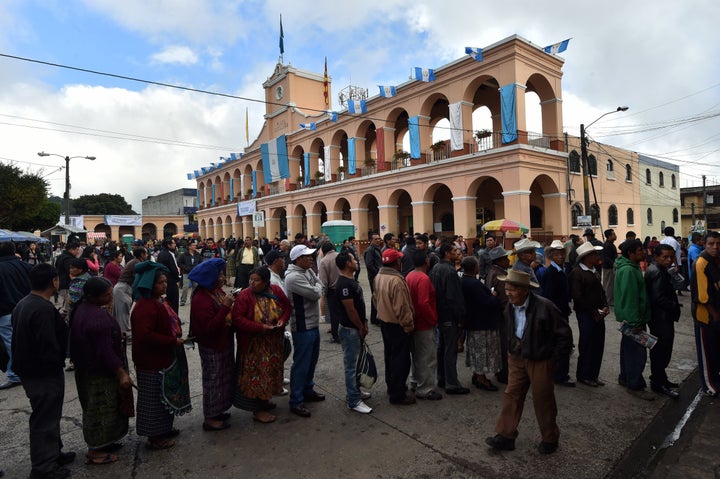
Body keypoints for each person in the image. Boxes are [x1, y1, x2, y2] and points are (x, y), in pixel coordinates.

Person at [485, 270, 572, 455]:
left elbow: (564, 335)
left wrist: (553, 360)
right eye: (506, 289)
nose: (508, 293)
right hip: (517, 357)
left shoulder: (545, 307)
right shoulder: (509, 306)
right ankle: (506, 435)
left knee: (543, 399)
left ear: (525, 290)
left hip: (540, 359)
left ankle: (550, 438)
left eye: (512, 290)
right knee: (512, 394)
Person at [12, 264, 76, 478]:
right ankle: (43, 467)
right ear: (53, 282)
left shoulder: (24, 304)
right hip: (42, 372)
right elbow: (48, 344)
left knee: (50, 415)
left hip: (30, 369)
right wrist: (59, 360)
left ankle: (53, 453)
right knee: (45, 419)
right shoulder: (41, 308)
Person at [69, 277, 132, 465]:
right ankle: (95, 450)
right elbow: (104, 350)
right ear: (94, 297)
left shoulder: (84, 309)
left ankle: (105, 443)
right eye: (106, 294)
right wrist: (121, 373)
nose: (111, 296)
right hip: (100, 372)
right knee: (100, 411)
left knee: (100, 408)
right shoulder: (96, 317)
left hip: (87, 369)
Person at [131, 261, 190, 450]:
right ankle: (154, 437)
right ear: (150, 284)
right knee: (153, 400)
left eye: (165, 282)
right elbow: (146, 335)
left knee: (164, 396)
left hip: (163, 358)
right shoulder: (144, 307)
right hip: (151, 360)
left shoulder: (158, 301)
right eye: (160, 283)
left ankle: (164, 428)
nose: (165, 285)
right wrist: (172, 341)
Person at [232, 266, 290, 423]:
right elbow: (237, 319)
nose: (252, 283)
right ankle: (258, 410)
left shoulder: (276, 291)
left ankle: (265, 401)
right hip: (254, 346)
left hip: (273, 344)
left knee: (270, 373)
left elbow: (287, 308)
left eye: (256, 280)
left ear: (266, 282)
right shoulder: (245, 295)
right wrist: (260, 327)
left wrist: (282, 320)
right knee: (257, 377)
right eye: (251, 279)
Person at [189, 258, 235, 430]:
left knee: (223, 377)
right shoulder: (202, 299)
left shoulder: (215, 291)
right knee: (213, 380)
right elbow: (208, 328)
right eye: (220, 274)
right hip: (212, 345)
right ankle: (210, 417)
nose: (223, 277)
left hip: (223, 342)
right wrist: (225, 307)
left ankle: (219, 410)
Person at [285, 244, 325, 417]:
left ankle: (308, 390)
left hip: (312, 324)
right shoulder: (293, 277)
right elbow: (317, 293)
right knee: (301, 364)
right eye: (307, 256)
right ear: (297, 259)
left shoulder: (307, 271)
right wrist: (317, 287)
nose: (311, 258)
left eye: (311, 255)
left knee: (311, 361)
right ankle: (296, 400)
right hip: (302, 327)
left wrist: (317, 286)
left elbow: (320, 284)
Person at [374, 248, 416, 405]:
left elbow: (375, 299)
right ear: (397, 263)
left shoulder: (379, 276)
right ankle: (398, 394)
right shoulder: (396, 281)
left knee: (390, 357)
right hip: (397, 325)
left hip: (385, 322)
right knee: (401, 360)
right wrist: (408, 325)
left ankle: (392, 386)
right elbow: (403, 308)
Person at [614, 239, 654, 401]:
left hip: (630, 319)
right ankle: (635, 384)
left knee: (627, 350)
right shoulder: (629, 271)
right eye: (639, 250)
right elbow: (630, 298)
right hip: (633, 320)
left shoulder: (631, 267)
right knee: (637, 354)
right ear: (630, 253)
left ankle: (625, 377)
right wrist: (636, 322)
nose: (643, 253)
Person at [335, 252, 372, 413]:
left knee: (356, 364)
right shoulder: (343, 284)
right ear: (347, 264)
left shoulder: (351, 281)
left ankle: (355, 390)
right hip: (350, 329)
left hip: (356, 327)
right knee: (350, 365)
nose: (356, 261)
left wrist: (364, 323)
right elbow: (350, 310)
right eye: (353, 259)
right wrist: (360, 327)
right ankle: (353, 400)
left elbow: (359, 306)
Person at [430, 243, 469, 394]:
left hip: (440, 314)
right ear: (447, 253)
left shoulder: (436, 268)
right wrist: (460, 317)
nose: (456, 252)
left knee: (441, 348)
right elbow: (453, 297)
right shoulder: (449, 271)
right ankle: (452, 383)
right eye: (454, 251)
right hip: (448, 315)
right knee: (450, 350)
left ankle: (442, 377)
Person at [568, 242, 609, 387]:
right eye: (594, 254)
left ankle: (593, 374)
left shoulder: (594, 270)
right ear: (586, 257)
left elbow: (601, 291)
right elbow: (578, 297)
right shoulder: (577, 273)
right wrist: (594, 312)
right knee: (587, 344)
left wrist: (605, 306)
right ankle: (584, 375)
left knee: (598, 344)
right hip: (586, 314)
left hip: (598, 313)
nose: (597, 257)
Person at [645, 244, 682, 398]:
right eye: (665, 257)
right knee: (661, 351)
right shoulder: (657, 272)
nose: (669, 260)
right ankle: (658, 383)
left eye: (671, 257)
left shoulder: (658, 270)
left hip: (660, 317)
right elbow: (658, 297)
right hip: (660, 318)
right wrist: (673, 306)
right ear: (656, 257)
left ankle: (661, 379)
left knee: (661, 351)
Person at [460, 256, 502, 392]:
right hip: (481, 323)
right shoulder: (473, 283)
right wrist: (494, 297)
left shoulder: (464, 281)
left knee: (476, 350)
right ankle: (481, 378)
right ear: (474, 268)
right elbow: (486, 303)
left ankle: (477, 375)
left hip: (473, 321)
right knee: (482, 351)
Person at [406, 249, 442, 400]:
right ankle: (426, 388)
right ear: (426, 261)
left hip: (414, 322)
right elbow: (423, 303)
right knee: (427, 357)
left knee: (417, 355)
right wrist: (433, 319)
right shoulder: (423, 279)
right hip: (423, 323)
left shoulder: (410, 275)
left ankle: (415, 381)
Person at [539, 240, 575, 387]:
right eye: (557, 254)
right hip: (556, 314)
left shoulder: (561, 270)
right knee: (561, 343)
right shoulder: (551, 272)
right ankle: (559, 375)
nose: (560, 256)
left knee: (561, 343)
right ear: (551, 256)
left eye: (562, 253)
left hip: (562, 311)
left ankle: (559, 374)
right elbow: (548, 296)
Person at [690, 231, 720, 397]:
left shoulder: (716, 261)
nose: (715, 247)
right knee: (707, 353)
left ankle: (716, 380)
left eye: (718, 244)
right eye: (711, 244)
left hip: (716, 316)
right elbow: (702, 296)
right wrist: (714, 314)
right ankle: (709, 386)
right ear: (704, 245)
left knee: (715, 352)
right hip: (705, 318)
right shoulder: (701, 263)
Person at [0, 241, 32, 390]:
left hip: (6, 311)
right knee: (29, 340)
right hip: (28, 309)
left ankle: (15, 374)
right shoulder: (25, 266)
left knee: (11, 344)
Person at [485, 246, 512, 383]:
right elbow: (504, 299)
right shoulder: (500, 275)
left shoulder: (493, 272)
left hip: (498, 314)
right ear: (499, 261)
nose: (508, 260)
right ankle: (504, 374)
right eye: (505, 258)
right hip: (503, 314)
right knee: (505, 345)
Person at [112, 247, 148, 339]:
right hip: (123, 288)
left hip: (123, 288)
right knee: (123, 313)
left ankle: (121, 333)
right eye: (146, 253)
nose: (147, 255)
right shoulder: (137, 263)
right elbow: (137, 279)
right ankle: (126, 335)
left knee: (121, 312)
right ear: (142, 255)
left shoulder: (134, 262)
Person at [318, 241, 341, 343]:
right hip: (344, 287)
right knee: (343, 311)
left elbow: (323, 281)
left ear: (323, 251)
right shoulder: (341, 256)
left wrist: (324, 293)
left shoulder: (324, 261)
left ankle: (336, 336)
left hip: (332, 291)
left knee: (334, 314)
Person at [156, 239, 181, 313]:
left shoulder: (161, 253)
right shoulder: (169, 254)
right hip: (171, 280)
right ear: (168, 245)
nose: (175, 245)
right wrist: (177, 278)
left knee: (168, 300)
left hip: (164, 279)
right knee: (174, 301)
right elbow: (173, 268)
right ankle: (175, 317)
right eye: (173, 243)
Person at [364, 233, 384, 325]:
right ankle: (375, 318)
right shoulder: (370, 250)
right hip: (374, 277)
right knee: (375, 297)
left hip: (379, 276)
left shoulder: (377, 249)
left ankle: (376, 317)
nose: (378, 240)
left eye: (379, 239)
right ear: (371, 240)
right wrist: (377, 273)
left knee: (377, 297)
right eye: (376, 239)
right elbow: (369, 265)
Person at [55, 241, 80, 310]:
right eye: (77, 250)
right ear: (72, 250)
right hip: (66, 285)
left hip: (61, 283)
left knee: (65, 303)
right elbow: (71, 272)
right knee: (67, 305)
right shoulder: (69, 259)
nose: (78, 252)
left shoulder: (61, 256)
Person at [178, 241, 202, 307]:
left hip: (195, 273)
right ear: (189, 247)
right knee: (185, 286)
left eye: (195, 245)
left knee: (195, 286)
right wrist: (185, 268)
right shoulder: (183, 255)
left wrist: (198, 268)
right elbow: (179, 263)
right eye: (193, 245)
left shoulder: (197, 254)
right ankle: (183, 300)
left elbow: (200, 262)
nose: (195, 246)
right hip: (186, 273)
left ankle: (193, 299)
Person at [601, 229, 618, 306]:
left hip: (610, 267)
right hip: (608, 268)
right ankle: (609, 300)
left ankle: (610, 300)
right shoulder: (607, 245)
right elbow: (606, 258)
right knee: (609, 285)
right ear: (609, 236)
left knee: (610, 284)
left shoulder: (610, 244)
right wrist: (613, 264)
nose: (615, 236)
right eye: (613, 234)